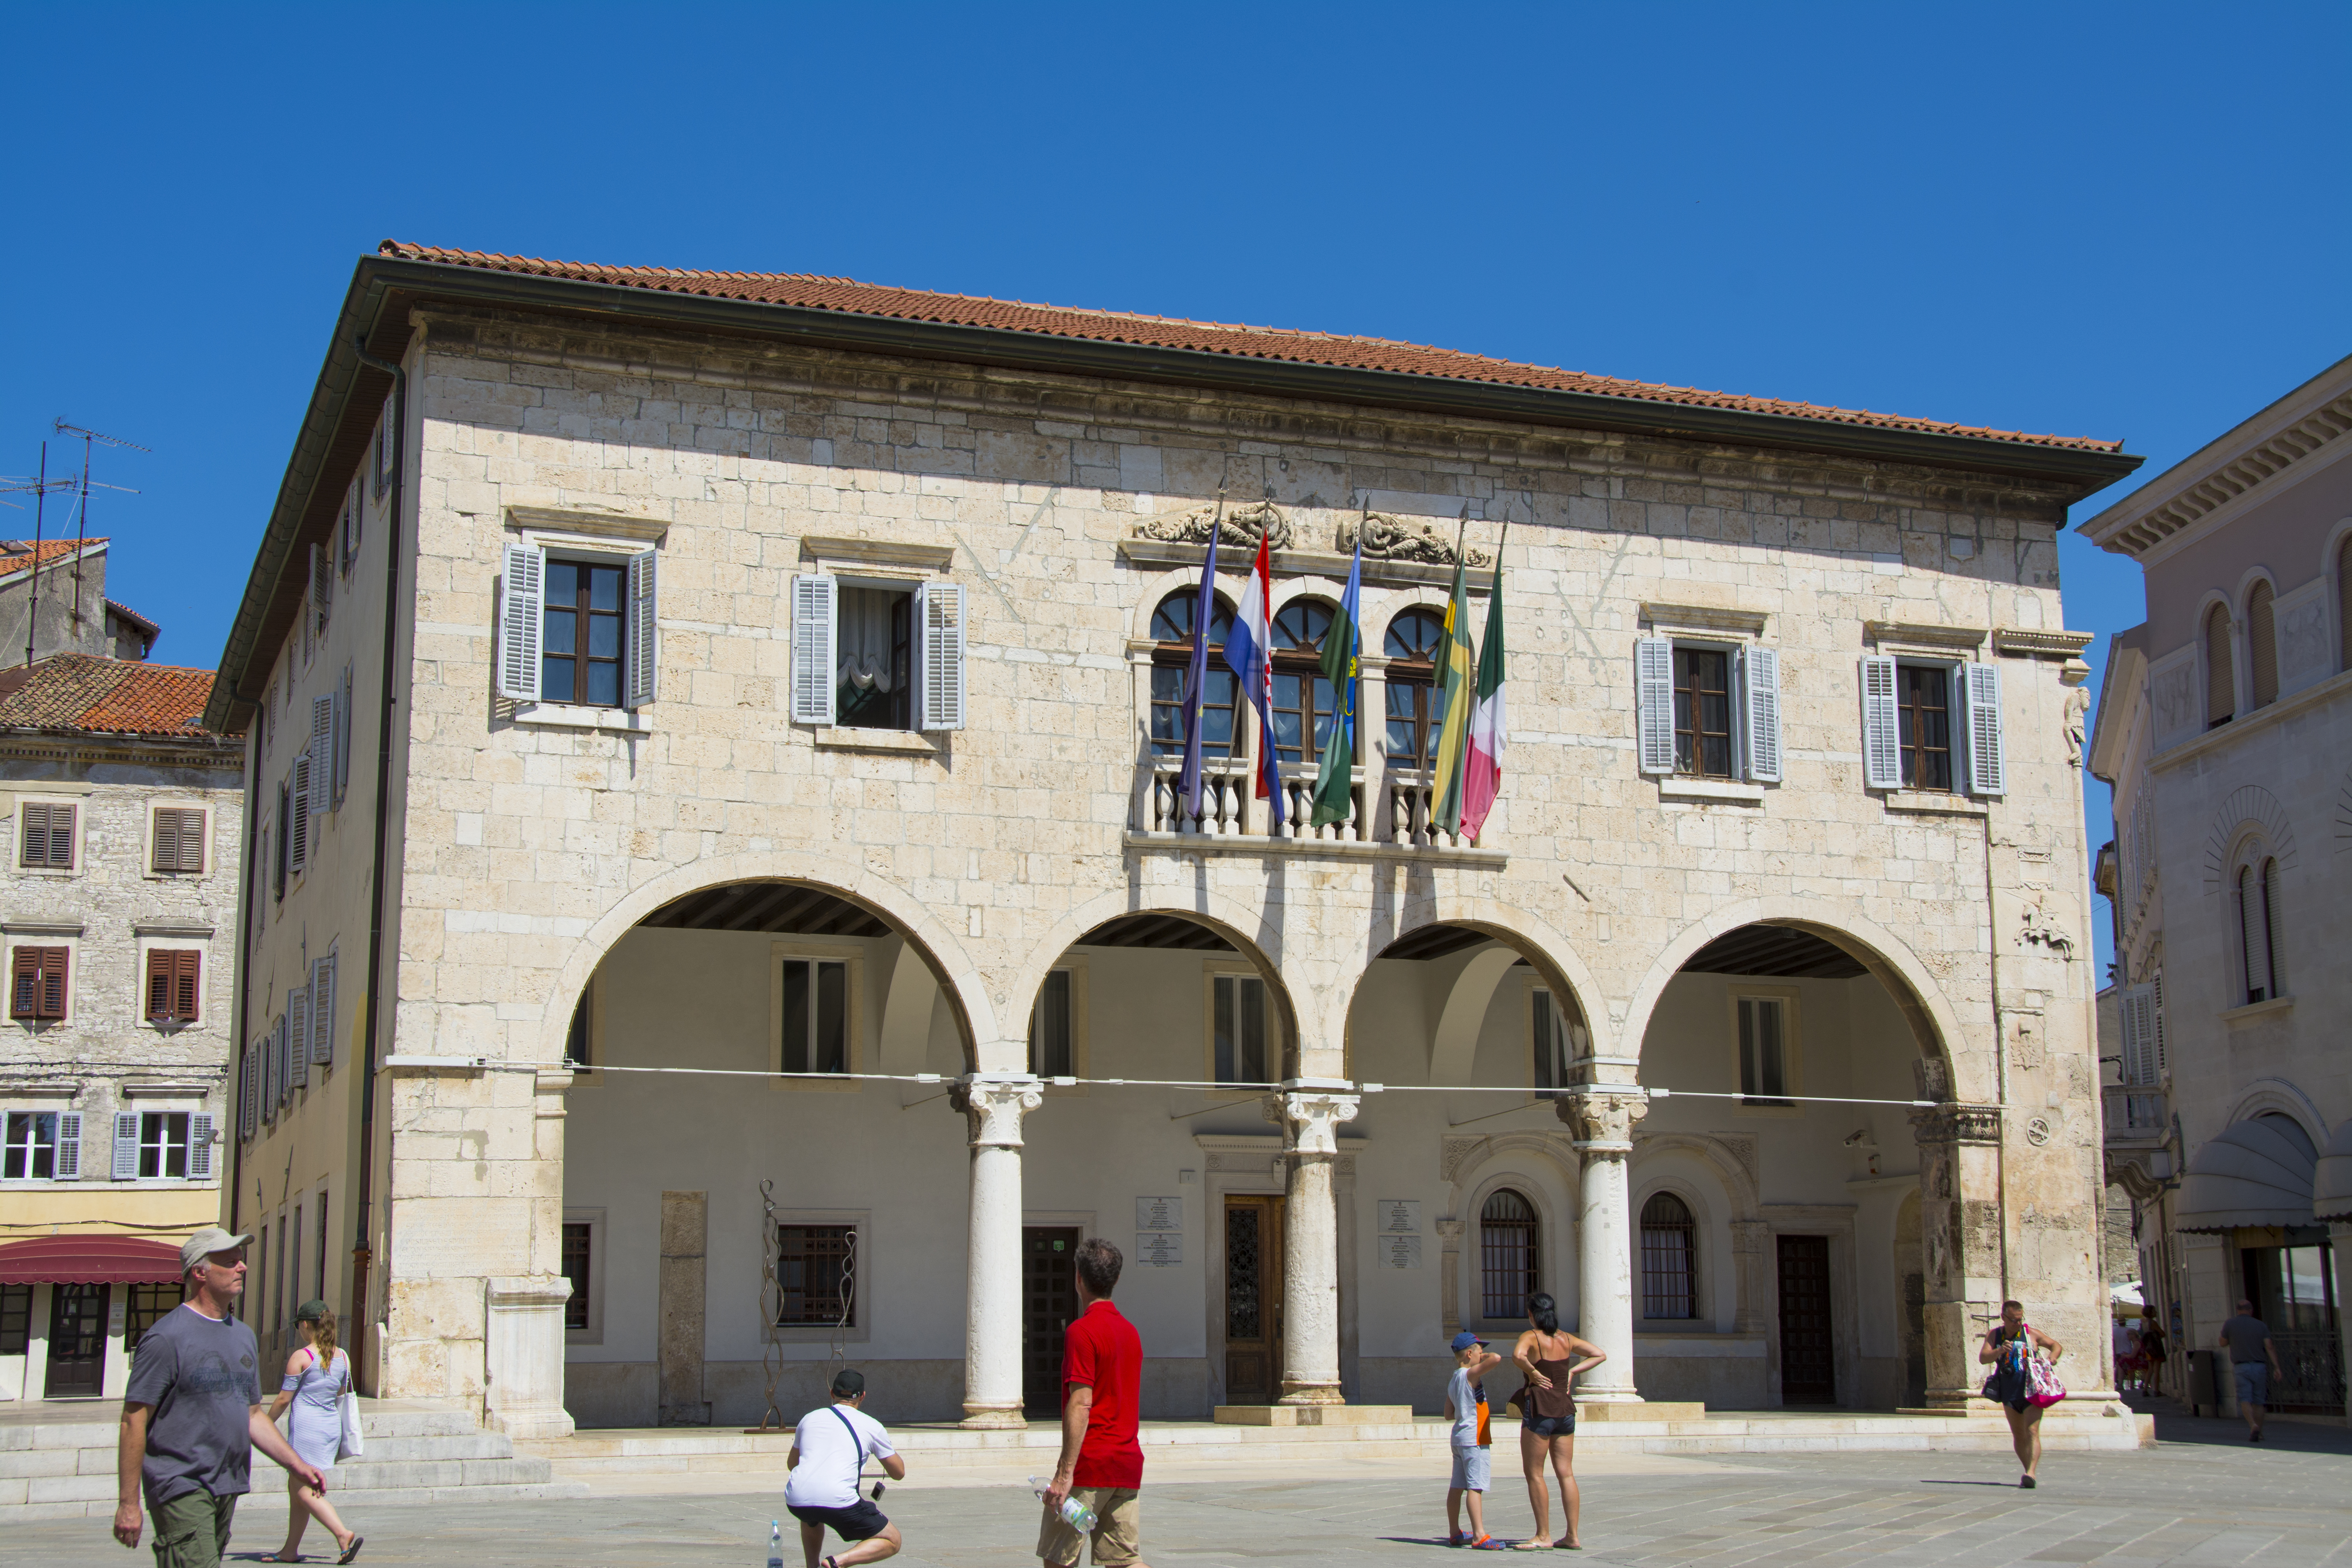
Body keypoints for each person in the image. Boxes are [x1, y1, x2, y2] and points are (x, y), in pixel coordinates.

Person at [113, 1227, 328, 1568]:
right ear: (200, 1272)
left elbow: (253, 1415)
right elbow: (133, 1420)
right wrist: (128, 1502)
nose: (242, 1267)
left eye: (240, 1260)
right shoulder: (166, 1338)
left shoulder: (242, 1335)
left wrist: (296, 1464)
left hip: (226, 1481)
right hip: (180, 1482)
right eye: (230, 1262)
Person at [1040, 1237, 1147, 1568]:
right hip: (1126, 1463)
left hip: (1091, 1465)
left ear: (1079, 1279)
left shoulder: (1082, 1331)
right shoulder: (1131, 1332)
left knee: (1059, 1559)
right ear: (1115, 1280)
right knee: (1124, 1560)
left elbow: (1081, 1402)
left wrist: (1063, 1473)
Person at [1507, 1292, 1605, 1551]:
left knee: (1535, 1473)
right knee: (1566, 1472)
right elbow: (1599, 1354)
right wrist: (1573, 1370)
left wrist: (1534, 1372)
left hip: (1540, 1410)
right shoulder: (1566, 1338)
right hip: (1565, 1410)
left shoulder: (1532, 1336)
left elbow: (1518, 1356)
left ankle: (1543, 1535)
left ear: (1532, 1314)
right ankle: (1572, 1535)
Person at [265, 1301, 362, 1562]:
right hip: (330, 1427)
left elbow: (284, 1399)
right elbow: (340, 1394)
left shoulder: (302, 1357)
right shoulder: (342, 1356)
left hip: (307, 1430)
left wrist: (265, 1423)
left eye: (299, 1324)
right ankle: (289, 1550)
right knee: (297, 1489)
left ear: (306, 1324)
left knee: (302, 1490)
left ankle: (342, 1533)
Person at [786, 1368, 907, 1568]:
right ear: (863, 1397)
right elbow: (899, 1473)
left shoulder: (809, 1419)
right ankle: (837, 1562)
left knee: (811, 1516)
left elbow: (792, 1464)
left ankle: (812, 1566)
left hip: (797, 1498)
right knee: (893, 1540)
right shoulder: (872, 1425)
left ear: (832, 1394)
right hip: (840, 1500)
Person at [1978, 1300, 2063, 1488]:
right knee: (2019, 1434)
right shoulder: (1995, 1335)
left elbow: (2055, 1345)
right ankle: (2029, 1472)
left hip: (2032, 1390)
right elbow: (1983, 1358)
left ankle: (2031, 1472)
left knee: (2032, 1431)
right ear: (2003, 1318)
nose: (2018, 1323)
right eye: (2014, 1320)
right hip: (2009, 1390)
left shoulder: (2030, 1334)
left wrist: (2053, 1358)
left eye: (2020, 1319)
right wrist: (2000, 1351)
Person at [1443, 1330, 1504, 1548]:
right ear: (1470, 1354)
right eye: (1480, 1351)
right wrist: (1485, 1358)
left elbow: (1448, 1414)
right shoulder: (1470, 1375)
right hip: (1474, 1438)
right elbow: (1497, 1358)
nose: (1484, 1354)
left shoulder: (1454, 1379)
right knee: (1475, 1487)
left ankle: (1454, 1532)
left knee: (1457, 1486)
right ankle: (1480, 1535)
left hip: (1459, 1437)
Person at [2218, 1299, 2283, 1442]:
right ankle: (2259, 1432)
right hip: (2259, 1367)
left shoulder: (2230, 1324)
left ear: (2237, 1310)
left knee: (2245, 1398)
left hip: (2241, 1367)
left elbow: (2222, 1343)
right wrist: (2277, 1367)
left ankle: (2252, 1425)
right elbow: (2269, 1346)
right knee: (2259, 1401)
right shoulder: (2261, 1325)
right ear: (2251, 1310)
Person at [2137, 1306, 2167, 1397]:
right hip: (2156, 1349)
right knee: (2157, 1370)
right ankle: (2157, 1390)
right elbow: (2163, 1334)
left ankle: (2145, 1389)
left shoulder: (2143, 1323)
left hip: (2148, 1349)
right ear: (2151, 1313)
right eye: (2154, 1311)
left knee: (2150, 1370)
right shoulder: (2153, 1323)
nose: (2156, 1312)